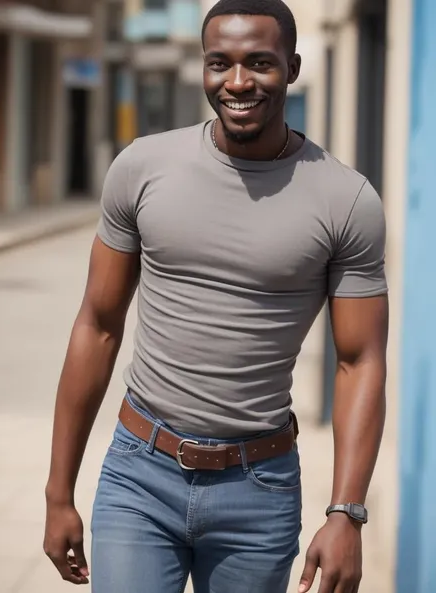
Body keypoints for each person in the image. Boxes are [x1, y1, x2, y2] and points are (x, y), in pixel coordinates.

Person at [43, 0, 388, 591]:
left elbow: (360, 362)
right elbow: (97, 325)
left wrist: (346, 512)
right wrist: (58, 492)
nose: (237, 82)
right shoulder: (142, 168)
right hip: (139, 475)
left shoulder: (346, 200)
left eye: (260, 63)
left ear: (294, 67)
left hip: (259, 490)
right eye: (219, 63)